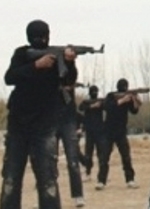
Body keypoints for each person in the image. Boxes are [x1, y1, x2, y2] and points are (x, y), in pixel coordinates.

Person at [0, 20, 77, 209]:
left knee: (48, 181)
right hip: (18, 126)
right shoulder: (21, 54)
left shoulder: (56, 57)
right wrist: (36, 66)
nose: (42, 39)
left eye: (44, 36)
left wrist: (69, 62)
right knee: (11, 180)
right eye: (38, 36)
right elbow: (10, 77)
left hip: (45, 126)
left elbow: (69, 80)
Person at [96, 79, 140, 190]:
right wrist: (122, 100)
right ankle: (101, 181)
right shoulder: (111, 96)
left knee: (126, 157)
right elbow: (107, 107)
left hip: (121, 131)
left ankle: (130, 179)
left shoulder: (128, 98)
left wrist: (135, 99)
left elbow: (134, 111)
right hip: (108, 131)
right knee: (104, 157)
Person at [54, 75, 86, 207]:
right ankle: (47, 195)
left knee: (73, 161)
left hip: (68, 121)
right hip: (50, 121)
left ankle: (78, 195)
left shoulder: (67, 73)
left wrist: (68, 87)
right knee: (48, 163)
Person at [78, 85, 107, 183]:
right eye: (93, 91)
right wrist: (92, 106)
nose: (95, 93)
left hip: (99, 131)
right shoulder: (86, 102)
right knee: (88, 154)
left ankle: (102, 174)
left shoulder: (101, 102)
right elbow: (81, 107)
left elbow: (107, 106)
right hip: (90, 131)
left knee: (101, 154)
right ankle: (88, 173)